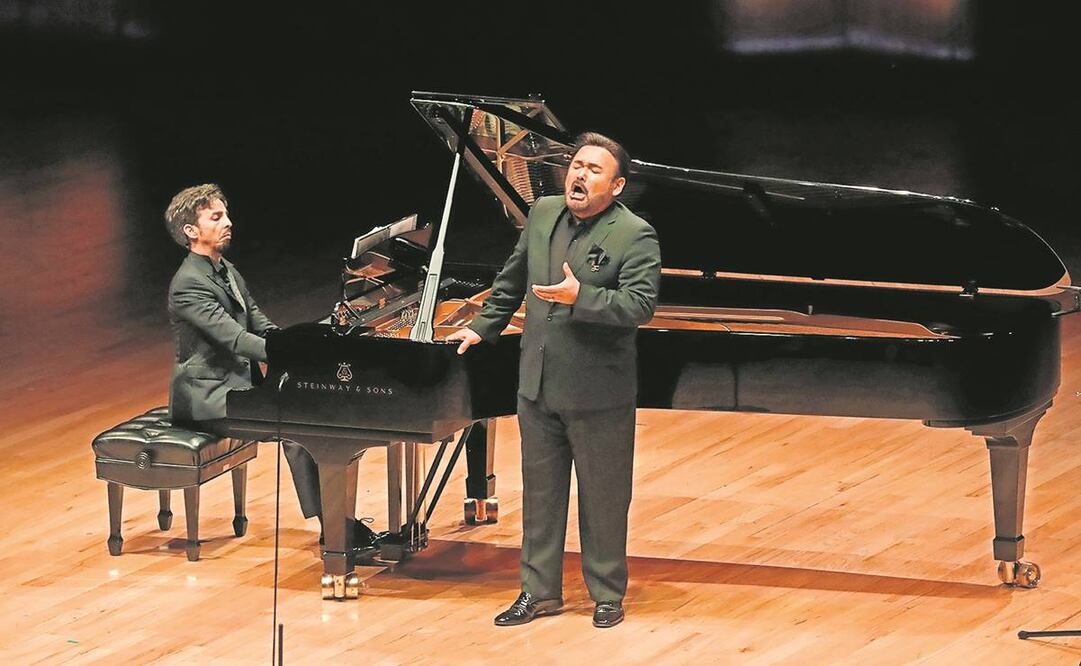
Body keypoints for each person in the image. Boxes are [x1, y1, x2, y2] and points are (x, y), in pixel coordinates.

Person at [447, 133, 661, 628]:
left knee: (603, 497)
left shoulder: (635, 234)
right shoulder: (542, 213)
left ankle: (606, 594)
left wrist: (579, 296)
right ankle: (538, 592)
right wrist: (484, 327)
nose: (580, 175)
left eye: (593, 170)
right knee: (541, 496)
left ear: (617, 185)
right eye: (576, 165)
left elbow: (639, 306)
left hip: (598, 392)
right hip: (537, 385)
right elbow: (510, 279)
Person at [163, 183, 377, 551]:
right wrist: (292, 356)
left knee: (316, 417)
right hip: (210, 398)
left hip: (238, 388)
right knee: (297, 432)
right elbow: (234, 338)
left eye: (226, 214)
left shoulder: (224, 268)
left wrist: (301, 342)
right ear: (191, 231)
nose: (228, 222)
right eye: (216, 217)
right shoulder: (188, 285)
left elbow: (259, 323)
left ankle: (337, 525)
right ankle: (335, 529)